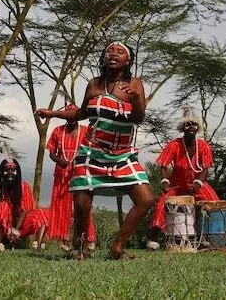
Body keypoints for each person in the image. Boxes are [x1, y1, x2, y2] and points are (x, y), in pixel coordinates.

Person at [36, 40, 154, 260]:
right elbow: (81, 113)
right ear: (104, 57)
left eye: (120, 52)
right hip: (91, 151)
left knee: (145, 199)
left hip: (122, 154)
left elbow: (138, 118)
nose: (113, 54)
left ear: (128, 61)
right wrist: (52, 114)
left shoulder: (134, 84)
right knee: (82, 204)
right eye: (110, 51)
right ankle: (81, 249)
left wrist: (137, 98)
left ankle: (117, 247)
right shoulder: (94, 84)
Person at [147, 107, 220, 250]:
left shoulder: (203, 146)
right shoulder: (174, 145)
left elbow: (205, 169)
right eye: (188, 124)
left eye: (194, 124)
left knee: (214, 203)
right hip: (177, 184)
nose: (191, 127)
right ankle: (153, 237)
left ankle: (210, 237)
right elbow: (164, 166)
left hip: (197, 183)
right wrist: (165, 182)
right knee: (162, 203)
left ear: (198, 127)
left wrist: (199, 182)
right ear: (182, 127)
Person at [45, 104, 97, 252]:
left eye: (74, 115)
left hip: (80, 172)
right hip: (61, 174)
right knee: (62, 207)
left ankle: (88, 239)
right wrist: (59, 160)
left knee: (83, 205)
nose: (71, 118)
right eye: (68, 115)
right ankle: (64, 240)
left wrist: (80, 160)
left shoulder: (86, 131)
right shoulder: (57, 131)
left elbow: (93, 149)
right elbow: (51, 152)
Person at [0, 159, 49, 251]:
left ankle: (38, 245)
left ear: (17, 172)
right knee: (2, 206)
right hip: (1, 227)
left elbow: (25, 210)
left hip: (20, 227)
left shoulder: (24, 187)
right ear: (2, 172)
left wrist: (15, 231)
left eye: (13, 170)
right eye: (7, 170)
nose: (10, 173)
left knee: (42, 213)